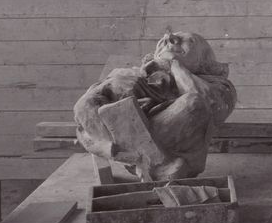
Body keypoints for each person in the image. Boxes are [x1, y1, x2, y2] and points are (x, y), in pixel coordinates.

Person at [74, 30, 237, 181]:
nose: (170, 38)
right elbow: (84, 109)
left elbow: (210, 105)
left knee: (195, 103)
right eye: (164, 40)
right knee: (87, 103)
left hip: (163, 135)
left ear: (204, 61)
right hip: (123, 132)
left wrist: (174, 64)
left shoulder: (218, 84)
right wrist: (117, 84)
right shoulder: (136, 74)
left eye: (190, 41)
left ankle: (139, 157)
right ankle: (134, 156)